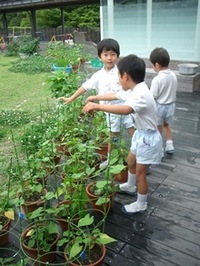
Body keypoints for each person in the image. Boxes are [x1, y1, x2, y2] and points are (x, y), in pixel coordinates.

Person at [83, 54, 162, 215]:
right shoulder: (136, 88)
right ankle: (130, 185)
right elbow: (115, 95)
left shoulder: (140, 94)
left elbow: (126, 109)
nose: (118, 80)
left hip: (148, 139)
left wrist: (98, 107)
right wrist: (95, 97)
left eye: (119, 76)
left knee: (141, 174)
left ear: (125, 76)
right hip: (141, 135)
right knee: (130, 160)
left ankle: (141, 203)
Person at [59, 38, 135, 168]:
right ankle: (112, 160)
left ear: (117, 55)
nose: (109, 58)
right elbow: (85, 86)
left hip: (124, 108)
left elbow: (120, 94)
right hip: (110, 112)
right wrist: (71, 98)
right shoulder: (98, 75)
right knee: (113, 136)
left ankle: (140, 158)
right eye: (105, 55)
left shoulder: (121, 73)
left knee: (133, 133)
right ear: (99, 56)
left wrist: (96, 97)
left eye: (113, 54)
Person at [149, 47, 177, 155]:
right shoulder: (173, 75)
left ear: (156, 65)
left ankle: (159, 147)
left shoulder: (157, 79)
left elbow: (153, 96)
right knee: (167, 125)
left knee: (158, 127)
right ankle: (169, 144)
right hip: (171, 106)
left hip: (160, 106)